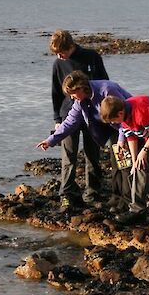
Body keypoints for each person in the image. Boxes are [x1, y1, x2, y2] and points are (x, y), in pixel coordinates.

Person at [37, 71, 132, 210]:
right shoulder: (80, 101)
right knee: (114, 161)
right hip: (110, 124)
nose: (72, 97)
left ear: (81, 87)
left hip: (127, 124)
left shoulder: (106, 89)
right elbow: (70, 122)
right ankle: (117, 197)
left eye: (73, 93)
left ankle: (127, 200)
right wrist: (50, 140)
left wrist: (122, 139)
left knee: (122, 162)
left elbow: (125, 114)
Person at [49, 30, 108, 209]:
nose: (60, 56)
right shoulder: (58, 63)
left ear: (71, 46)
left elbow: (104, 82)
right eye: (57, 54)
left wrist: (104, 114)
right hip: (69, 115)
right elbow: (56, 93)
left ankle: (93, 192)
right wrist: (57, 119)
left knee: (93, 154)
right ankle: (67, 194)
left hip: (93, 115)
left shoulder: (91, 57)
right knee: (68, 156)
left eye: (62, 52)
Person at [100, 95, 149, 225]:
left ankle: (137, 210)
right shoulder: (124, 115)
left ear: (120, 113)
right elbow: (131, 137)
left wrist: (145, 151)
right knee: (143, 168)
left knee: (143, 169)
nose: (114, 123)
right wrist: (135, 159)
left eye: (113, 120)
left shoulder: (140, 112)